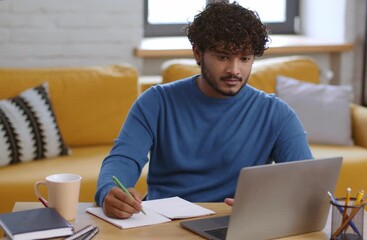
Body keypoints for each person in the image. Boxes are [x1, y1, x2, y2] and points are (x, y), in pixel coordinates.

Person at [95, 1, 313, 219]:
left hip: (235, 223)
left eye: (244, 59)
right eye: (223, 56)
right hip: (164, 223)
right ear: (198, 53)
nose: (234, 70)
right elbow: (124, 159)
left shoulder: (276, 114)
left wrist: (269, 205)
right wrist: (108, 192)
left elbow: (306, 183)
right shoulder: (156, 101)